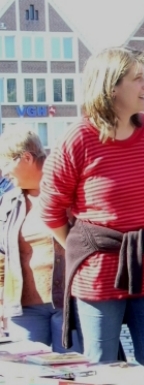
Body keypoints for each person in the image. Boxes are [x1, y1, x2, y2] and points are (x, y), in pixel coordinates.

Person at [38, 46, 144, 365]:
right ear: (111, 87)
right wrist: (87, 249)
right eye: (138, 79)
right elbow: (50, 209)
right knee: (103, 369)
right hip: (98, 273)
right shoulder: (77, 138)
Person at [0, 124, 82, 351]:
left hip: (70, 305)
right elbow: (1, 255)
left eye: (5, 164)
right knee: (28, 377)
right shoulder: (8, 203)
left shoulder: (70, 194)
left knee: (74, 374)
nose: (3, 172)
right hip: (23, 310)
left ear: (25, 158)